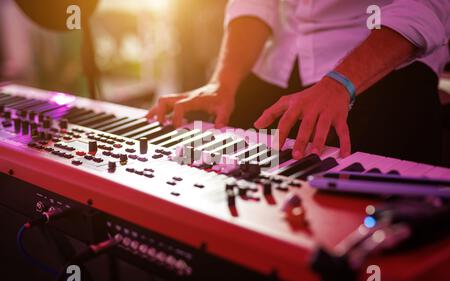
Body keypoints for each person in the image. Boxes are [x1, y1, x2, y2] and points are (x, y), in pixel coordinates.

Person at [147, 0, 450, 165]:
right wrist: (222, 83)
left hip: (385, 67)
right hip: (279, 66)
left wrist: (341, 83)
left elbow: (424, 6)